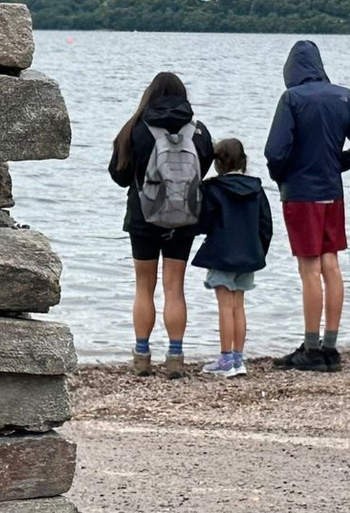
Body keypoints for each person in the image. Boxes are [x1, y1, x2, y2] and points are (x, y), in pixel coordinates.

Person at [264, 41, 350, 372]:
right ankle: (330, 346)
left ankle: (311, 348)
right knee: (331, 265)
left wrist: (283, 177)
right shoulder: (346, 96)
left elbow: (275, 152)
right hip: (331, 192)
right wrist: (333, 163)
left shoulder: (292, 99)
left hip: (301, 192)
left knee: (309, 268)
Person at [109, 72, 214, 378]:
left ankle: (142, 356)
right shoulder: (199, 132)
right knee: (174, 287)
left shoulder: (135, 129)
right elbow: (203, 169)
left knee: (144, 287)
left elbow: (118, 175)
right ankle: (175, 357)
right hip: (184, 218)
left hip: (143, 216)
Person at [192, 138, 273, 379]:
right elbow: (265, 225)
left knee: (225, 307)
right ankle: (238, 358)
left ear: (217, 164)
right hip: (248, 254)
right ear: (243, 161)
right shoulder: (256, 189)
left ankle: (225, 358)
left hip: (221, 254)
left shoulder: (213, 189)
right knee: (239, 306)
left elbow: (203, 222)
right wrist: (259, 251)